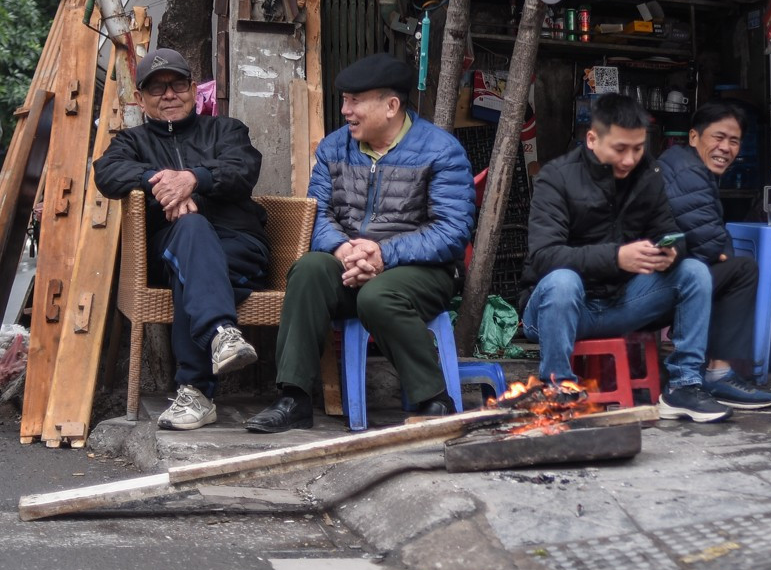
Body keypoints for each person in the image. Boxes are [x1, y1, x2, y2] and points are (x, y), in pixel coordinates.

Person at [246, 53, 474, 432]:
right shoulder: (334, 148)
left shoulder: (441, 150)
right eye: (344, 100)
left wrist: (383, 254)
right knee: (308, 270)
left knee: (378, 295)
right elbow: (318, 212)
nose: (345, 111)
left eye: (355, 101)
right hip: (351, 263)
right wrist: (343, 249)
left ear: (391, 106)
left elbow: (451, 231)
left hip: (422, 271)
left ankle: (434, 400)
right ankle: (293, 398)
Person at [520, 93, 730, 422]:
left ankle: (685, 386)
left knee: (693, 271)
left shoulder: (648, 175)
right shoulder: (556, 178)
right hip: (557, 312)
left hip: (623, 302)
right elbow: (544, 257)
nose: (630, 159)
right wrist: (616, 257)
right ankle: (559, 391)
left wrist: (670, 253)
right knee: (563, 281)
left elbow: (670, 232)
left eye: (637, 148)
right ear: (592, 139)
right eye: (620, 149)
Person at [93, 48, 268, 430]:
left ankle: (196, 392)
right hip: (169, 246)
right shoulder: (131, 142)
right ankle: (222, 333)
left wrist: (193, 179)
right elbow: (107, 173)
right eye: (157, 88)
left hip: (238, 247)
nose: (169, 94)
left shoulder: (227, 130)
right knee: (190, 230)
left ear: (193, 88)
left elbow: (243, 168)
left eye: (177, 84)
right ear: (140, 98)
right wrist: (160, 182)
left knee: (187, 272)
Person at [658, 101, 771, 410]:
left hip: (654, 279)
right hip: (651, 287)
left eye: (734, 141)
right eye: (718, 137)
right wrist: (719, 250)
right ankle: (719, 373)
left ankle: (714, 367)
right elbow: (710, 243)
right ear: (694, 137)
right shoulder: (687, 171)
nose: (725, 148)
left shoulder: (683, 163)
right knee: (743, 271)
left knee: (730, 267)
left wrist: (719, 248)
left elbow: (709, 237)